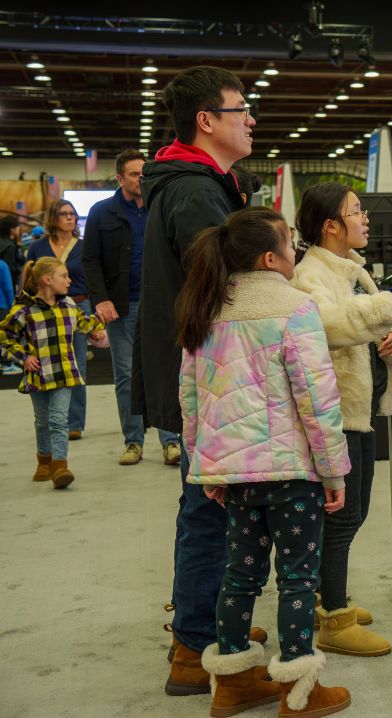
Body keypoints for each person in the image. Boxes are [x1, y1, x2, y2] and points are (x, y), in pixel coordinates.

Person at [177, 206, 353, 717]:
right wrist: (334, 469)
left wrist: (202, 468)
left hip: (234, 477)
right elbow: (318, 402)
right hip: (292, 474)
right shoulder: (296, 310)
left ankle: (231, 684)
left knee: (239, 577)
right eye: (290, 243)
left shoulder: (206, 307)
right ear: (269, 257)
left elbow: (191, 399)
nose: (295, 250)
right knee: (298, 577)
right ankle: (299, 691)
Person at [131, 65, 262, 696]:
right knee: (212, 508)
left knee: (208, 503)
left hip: (201, 368)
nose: (251, 120)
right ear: (207, 120)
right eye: (242, 110)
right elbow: (231, 288)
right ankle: (194, 645)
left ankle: (205, 622)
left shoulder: (198, 184)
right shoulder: (194, 193)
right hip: (209, 371)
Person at [291, 183, 392, 657]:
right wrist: (383, 310)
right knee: (342, 519)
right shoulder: (309, 276)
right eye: (356, 212)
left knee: (355, 512)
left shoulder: (354, 272)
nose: (365, 219)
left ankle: (329, 596)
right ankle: (333, 620)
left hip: (361, 413)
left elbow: (385, 325)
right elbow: (328, 324)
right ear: (331, 225)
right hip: (338, 415)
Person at [83, 149, 183, 466]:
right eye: (133, 174)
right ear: (119, 178)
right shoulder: (102, 212)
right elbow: (90, 260)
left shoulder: (161, 207)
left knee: (166, 371)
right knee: (126, 376)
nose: (141, 179)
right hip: (120, 307)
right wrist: (100, 298)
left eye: (144, 173)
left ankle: (171, 442)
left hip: (161, 304)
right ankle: (133, 443)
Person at [0, 257, 106, 489]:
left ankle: (60, 466)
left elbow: (85, 324)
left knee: (59, 420)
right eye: (64, 276)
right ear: (47, 280)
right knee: (42, 421)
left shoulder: (68, 305)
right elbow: (4, 337)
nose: (69, 281)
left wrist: (97, 329)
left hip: (64, 374)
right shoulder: (23, 310)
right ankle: (44, 460)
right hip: (38, 376)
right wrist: (23, 358)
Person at [26, 199, 89, 440]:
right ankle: (53, 417)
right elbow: (30, 279)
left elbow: (92, 275)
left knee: (77, 364)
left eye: (72, 213)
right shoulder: (38, 247)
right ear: (53, 218)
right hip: (44, 311)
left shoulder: (83, 246)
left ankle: (75, 423)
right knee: (48, 363)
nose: (70, 217)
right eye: (64, 214)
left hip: (77, 305)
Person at [0, 214, 22, 286]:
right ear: (12, 229)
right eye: (17, 226)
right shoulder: (10, 247)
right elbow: (9, 269)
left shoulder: (4, 241)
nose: (19, 228)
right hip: (8, 282)